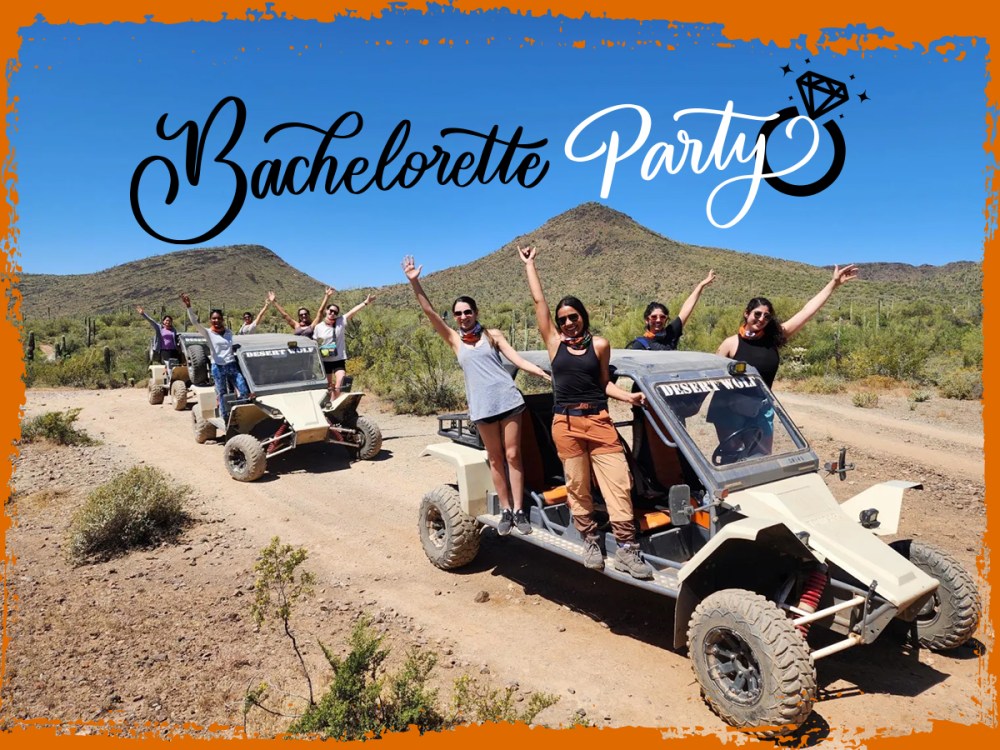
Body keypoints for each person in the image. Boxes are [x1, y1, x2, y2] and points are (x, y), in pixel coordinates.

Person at [518, 245, 653, 579]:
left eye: (573, 317)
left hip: (599, 420)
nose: (567, 323)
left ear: (583, 317)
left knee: (618, 483)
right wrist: (530, 265)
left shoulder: (600, 345)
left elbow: (603, 383)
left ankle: (627, 549)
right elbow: (540, 305)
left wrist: (628, 397)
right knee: (577, 484)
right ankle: (590, 540)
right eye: (562, 319)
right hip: (565, 422)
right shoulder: (554, 343)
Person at [403, 255, 551, 537]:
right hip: (482, 408)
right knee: (495, 459)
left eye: (467, 312)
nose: (462, 317)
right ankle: (505, 510)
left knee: (513, 456)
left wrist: (540, 372)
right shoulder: (455, 340)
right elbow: (431, 314)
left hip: (508, 402)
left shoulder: (493, 335)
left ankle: (519, 511)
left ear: (476, 312)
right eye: (458, 313)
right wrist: (415, 282)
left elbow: (516, 359)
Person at [712, 264, 859, 456]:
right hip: (730, 409)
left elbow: (807, 312)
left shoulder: (774, 338)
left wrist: (833, 284)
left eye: (766, 316)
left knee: (761, 457)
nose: (761, 319)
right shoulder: (730, 344)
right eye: (757, 314)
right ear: (746, 314)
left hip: (761, 406)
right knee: (733, 456)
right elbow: (711, 377)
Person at [180, 294, 248, 424]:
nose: (215, 320)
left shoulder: (228, 332)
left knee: (243, 390)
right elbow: (195, 322)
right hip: (218, 367)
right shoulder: (208, 333)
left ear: (222, 319)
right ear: (211, 320)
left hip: (231, 365)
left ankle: (238, 411)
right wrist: (189, 307)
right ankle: (225, 417)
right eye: (213, 319)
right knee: (221, 393)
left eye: (218, 318)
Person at [627, 270, 716, 351]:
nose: (658, 320)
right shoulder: (639, 344)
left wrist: (701, 285)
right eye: (654, 317)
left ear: (666, 319)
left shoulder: (671, 333)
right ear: (647, 320)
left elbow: (686, 309)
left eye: (662, 317)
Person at [311, 287, 376, 398]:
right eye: (330, 311)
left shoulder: (341, 321)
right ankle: (330, 404)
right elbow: (315, 343)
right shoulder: (318, 327)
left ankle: (334, 403)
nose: (332, 313)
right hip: (325, 360)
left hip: (339, 359)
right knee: (329, 385)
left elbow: (353, 311)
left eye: (335, 312)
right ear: (327, 311)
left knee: (340, 382)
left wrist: (365, 302)